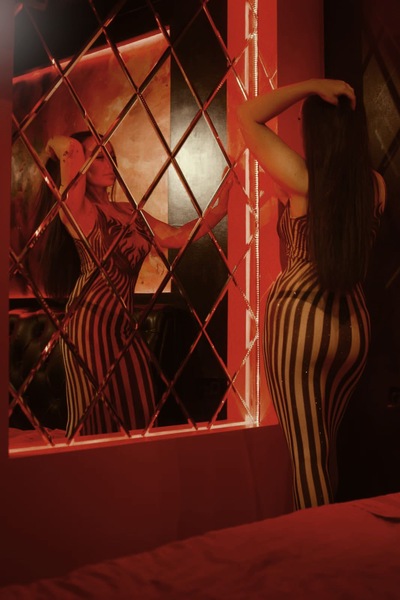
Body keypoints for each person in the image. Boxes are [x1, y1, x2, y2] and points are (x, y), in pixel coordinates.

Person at [237, 78, 386, 509]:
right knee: (324, 451)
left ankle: (320, 548)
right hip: (354, 327)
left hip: (299, 319)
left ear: (317, 130)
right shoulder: (375, 185)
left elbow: (247, 115)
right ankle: (330, 539)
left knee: (307, 459)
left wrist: (310, 86)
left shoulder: (303, 178)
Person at [32, 131, 231, 438]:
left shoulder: (128, 211)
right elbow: (68, 148)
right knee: (95, 422)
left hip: (124, 326)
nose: (110, 162)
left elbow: (176, 235)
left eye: (111, 155)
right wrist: (52, 147)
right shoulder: (77, 209)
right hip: (88, 325)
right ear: (81, 163)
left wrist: (220, 206)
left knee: (140, 416)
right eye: (99, 157)